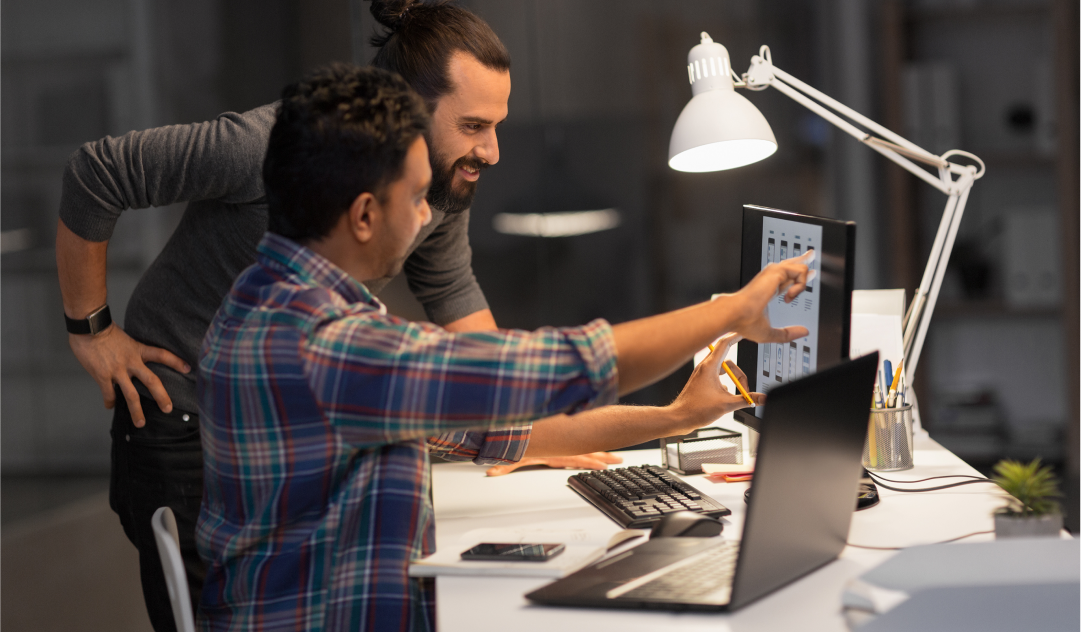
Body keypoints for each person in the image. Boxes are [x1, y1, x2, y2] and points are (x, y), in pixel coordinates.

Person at [56, 0, 610, 630]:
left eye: (495, 125)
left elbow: (452, 292)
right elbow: (99, 172)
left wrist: (516, 418)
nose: (490, 150)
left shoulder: (435, 183)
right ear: (407, 108)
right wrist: (91, 330)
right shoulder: (267, 146)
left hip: (290, 425)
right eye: (472, 125)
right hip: (183, 418)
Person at [197, 64, 810, 631]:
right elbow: (561, 368)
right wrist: (730, 311)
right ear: (363, 215)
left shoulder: (267, 298)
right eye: (415, 199)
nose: (422, 220)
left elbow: (500, 429)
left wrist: (676, 418)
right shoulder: (326, 343)